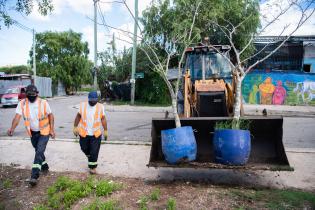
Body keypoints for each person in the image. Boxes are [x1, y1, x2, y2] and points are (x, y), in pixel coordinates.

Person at [7, 84, 55, 186]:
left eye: (34, 94)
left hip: (44, 131)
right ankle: (45, 166)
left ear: (37, 93)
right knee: (38, 151)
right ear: (26, 94)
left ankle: (34, 176)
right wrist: (12, 128)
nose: (32, 96)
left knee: (39, 152)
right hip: (32, 132)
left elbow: (51, 116)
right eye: (29, 94)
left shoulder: (43, 103)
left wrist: (52, 129)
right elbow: (17, 117)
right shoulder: (22, 104)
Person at [73, 91, 108, 174]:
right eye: (91, 100)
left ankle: (92, 168)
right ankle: (90, 157)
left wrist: (105, 130)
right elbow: (78, 116)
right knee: (84, 148)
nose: (93, 102)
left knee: (94, 151)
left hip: (96, 133)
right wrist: (75, 127)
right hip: (84, 133)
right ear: (88, 99)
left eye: (95, 100)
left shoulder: (100, 107)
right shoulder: (82, 106)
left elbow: (103, 118)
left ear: (97, 99)